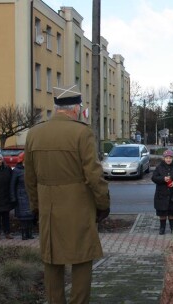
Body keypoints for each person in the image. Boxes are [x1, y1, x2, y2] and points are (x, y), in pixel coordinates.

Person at [24, 85, 110, 304]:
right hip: (78, 207)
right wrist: (103, 204)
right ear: (76, 108)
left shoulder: (34, 133)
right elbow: (93, 174)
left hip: (48, 208)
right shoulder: (82, 132)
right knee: (82, 259)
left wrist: (36, 207)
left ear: (57, 108)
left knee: (51, 260)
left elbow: (30, 178)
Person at [151, 149, 173, 234]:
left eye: (170, 158)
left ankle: (172, 227)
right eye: (166, 158)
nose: (168, 159)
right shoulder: (159, 167)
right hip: (161, 194)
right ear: (164, 158)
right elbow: (154, 178)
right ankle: (162, 228)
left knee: (172, 212)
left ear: (172, 158)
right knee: (162, 213)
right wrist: (163, 179)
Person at [10, 152, 35, 240]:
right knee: (24, 217)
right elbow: (12, 185)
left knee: (31, 216)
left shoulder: (31, 169)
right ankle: (24, 234)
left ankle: (30, 233)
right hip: (21, 196)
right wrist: (13, 197)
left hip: (30, 195)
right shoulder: (16, 171)